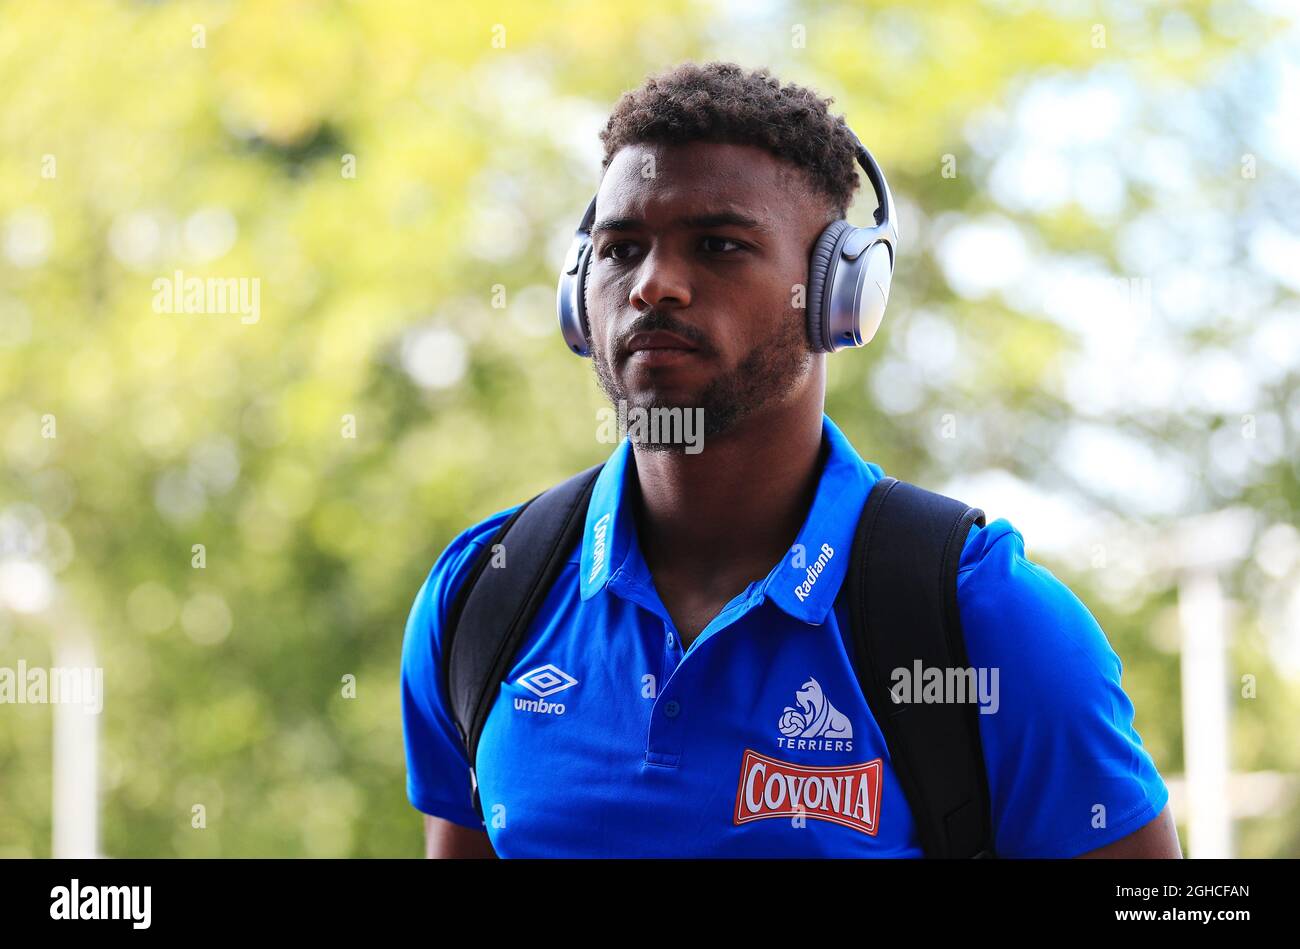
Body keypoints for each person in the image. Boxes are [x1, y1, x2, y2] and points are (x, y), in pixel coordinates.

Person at [401, 61, 1181, 859]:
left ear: (841, 292)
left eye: (719, 245)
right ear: (577, 293)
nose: (655, 285)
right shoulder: (482, 595)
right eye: (622, 248)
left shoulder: (988, 622)